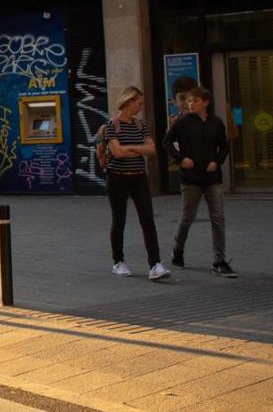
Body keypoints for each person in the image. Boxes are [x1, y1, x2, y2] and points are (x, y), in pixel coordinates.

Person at [100, 86, 170, 281]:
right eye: (138, 103)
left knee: (148, 220)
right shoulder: (111, 125)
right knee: (119, 220)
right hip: (117, 177)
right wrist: (139, 149)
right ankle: (118, 261)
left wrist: (129, 146)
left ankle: (155, 264)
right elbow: (117, 153)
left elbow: (152, 149)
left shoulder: (140, 125)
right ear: (128, 101)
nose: (140, 107)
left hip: (139, 176)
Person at [164, 86, 235, 277]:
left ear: (205, 102)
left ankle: (219, 260)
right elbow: (167, 142)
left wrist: (217, 162)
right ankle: (178, 249)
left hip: (212, 177)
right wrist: (181, 159)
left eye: (194, 101)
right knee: (188, 217)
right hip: (191, 178)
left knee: (218, 218)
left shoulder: (216, 122)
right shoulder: (182, 122)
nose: (190, 104)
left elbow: (224, 147)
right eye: (188, 101)